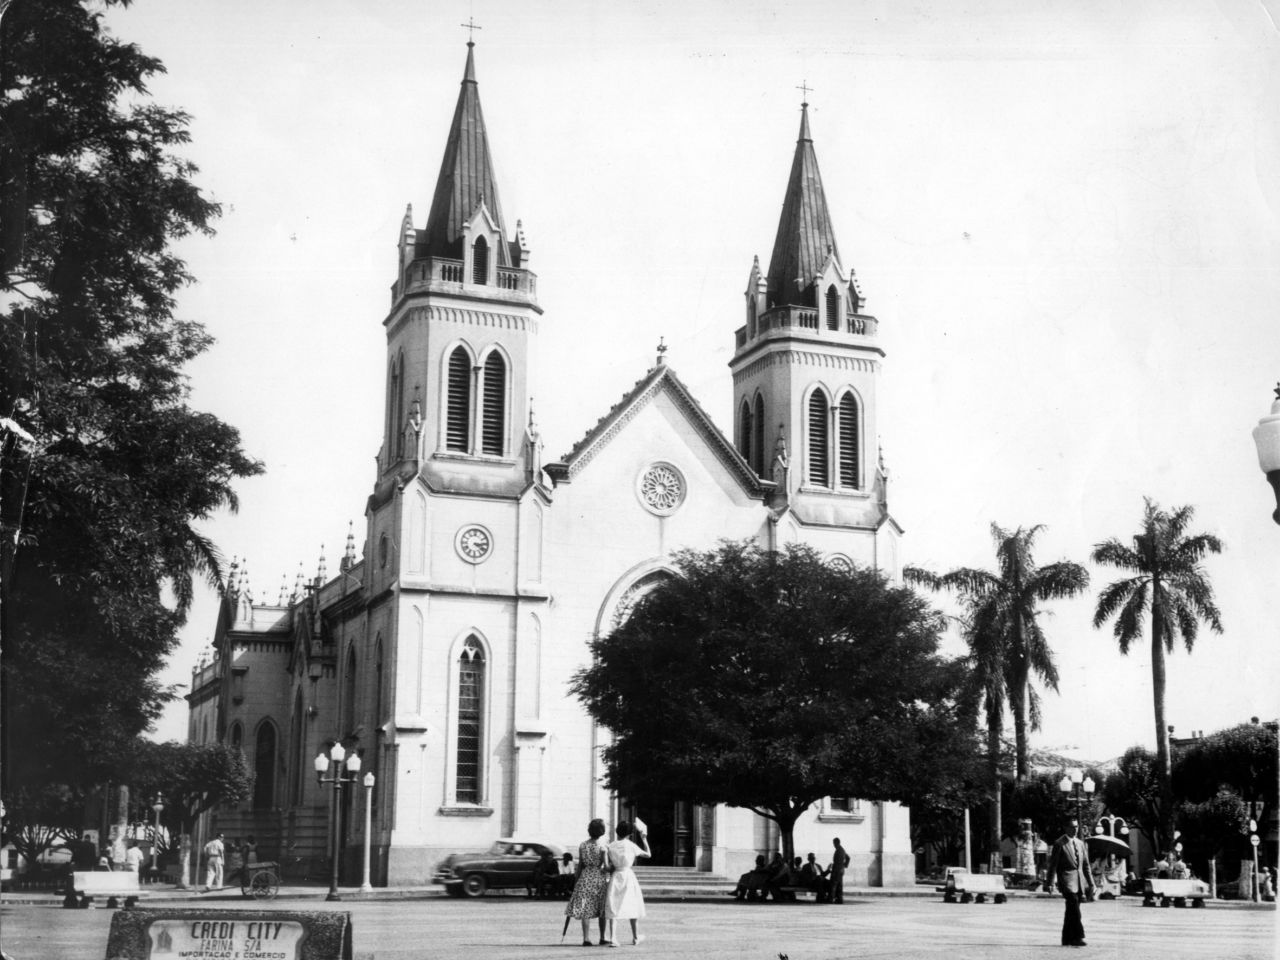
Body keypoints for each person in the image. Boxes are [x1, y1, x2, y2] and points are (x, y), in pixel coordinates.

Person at [1046, 818, 1094, 948]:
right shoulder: (1059, 843)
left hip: (1079, 881)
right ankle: (1078, 936)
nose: (1075, 829)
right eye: (1072, 827)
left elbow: (1086, 866)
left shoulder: (1080, 843)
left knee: (1071, 911)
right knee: (1074, 908)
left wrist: (1091, 883)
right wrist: (1049, 883)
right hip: (1066, 880)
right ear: (1066, 828)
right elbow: (1053, 865)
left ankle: (1066, 938)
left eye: (1077, 827)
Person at [604, 820, 651, 946]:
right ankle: (635, 936)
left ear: (617, 831)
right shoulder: (631, 845)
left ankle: (613, 937)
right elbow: (648, 854)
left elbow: (607, 864)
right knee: (633, 904)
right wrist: (644, 839)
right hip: (628, 876)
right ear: (629, 834)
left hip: (616, 875)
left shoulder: (611, 846)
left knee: (613, 904)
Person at [565, 818, 610, 946]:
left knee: (585, 907)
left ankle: (586, 938)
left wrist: (576, 881)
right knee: (602, 908)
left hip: (585, 877)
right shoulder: (602, 847)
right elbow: (606, 866)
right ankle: (602, 937)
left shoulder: (583, 845)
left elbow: (580, 865)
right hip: (598, 878)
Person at [829, 838, 850, 904]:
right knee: (839, 885)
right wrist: (844, 865)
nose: (833, 845)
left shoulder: (839, 850)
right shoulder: (842, 849)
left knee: (834, 884)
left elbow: (847, 858)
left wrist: (843, 865)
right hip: (841, 870)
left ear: (836, 843)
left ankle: (832, 899)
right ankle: (839, 899)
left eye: (834, 843)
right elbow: (848, 857)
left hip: (837, 870)